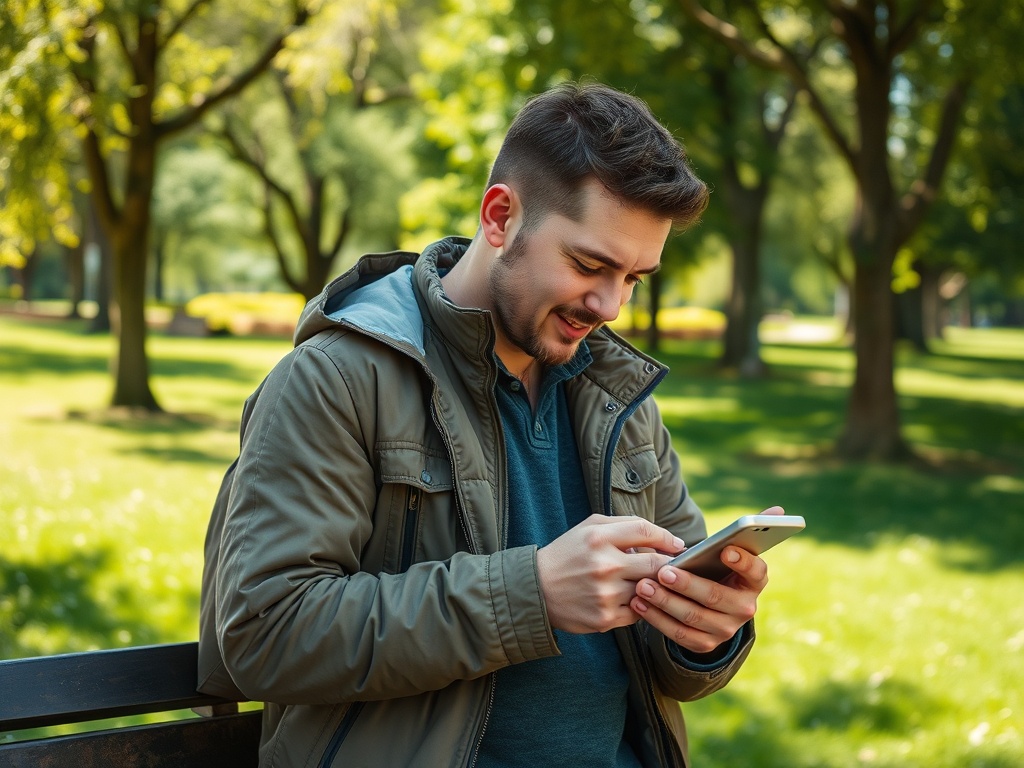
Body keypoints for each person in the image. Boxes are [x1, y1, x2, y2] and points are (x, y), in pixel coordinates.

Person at [198, 81, 782, 768]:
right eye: (590, 264)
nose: (610, 305)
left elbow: (672, 661)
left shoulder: (620, 400)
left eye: (635, 278)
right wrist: (527, 594)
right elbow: (264, 634)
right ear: (500, 216)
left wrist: (705, 630)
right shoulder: (335, 380)